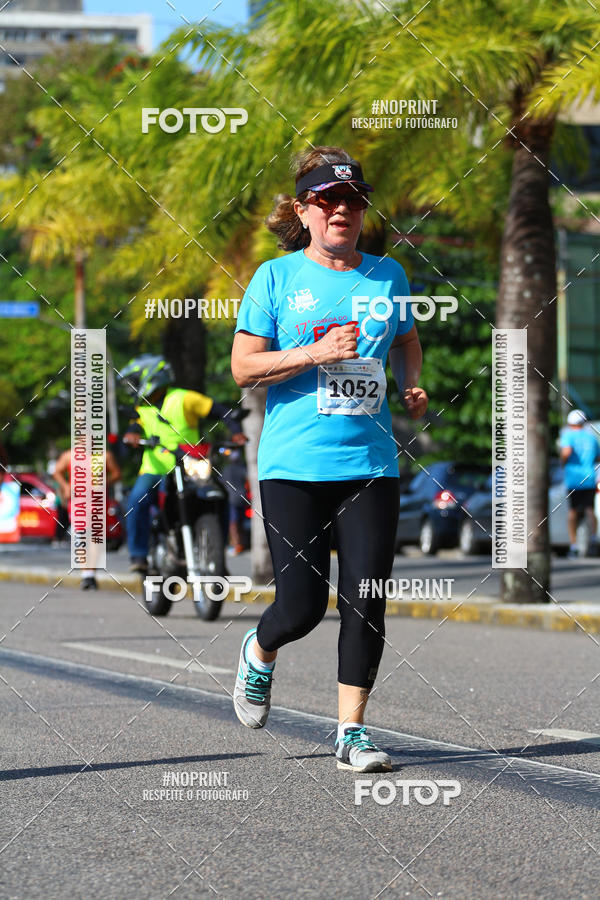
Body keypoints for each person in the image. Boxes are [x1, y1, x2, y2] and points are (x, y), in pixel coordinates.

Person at [230, 146, 428, 773]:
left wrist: (412, 381)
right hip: (293, 465)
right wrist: (316, 354)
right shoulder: (275, 278)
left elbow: (408, 338)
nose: (342, 210)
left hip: (370, 464)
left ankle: (352, 733)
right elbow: (243, 368)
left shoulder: (389, 276)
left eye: (353, 200)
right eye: (328, 200)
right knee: (302, 608)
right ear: (304, 211)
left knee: (366, 599)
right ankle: (260, 651)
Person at [120, 355, 247, 573]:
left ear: (151, 377)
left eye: (134, 381)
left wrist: (236, 432)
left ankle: (217, 557)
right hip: (155, 469)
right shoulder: (141, 408)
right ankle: (138, 555)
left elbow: (220, 411)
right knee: (136, 500)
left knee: (221, 497)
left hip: (190, 466)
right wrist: (132, 435)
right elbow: (135, 427)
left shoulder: (184, 398)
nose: (132, 388)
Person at [54, 445, 121, 589]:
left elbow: (116, 473)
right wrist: (66, 486)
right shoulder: (69, 456)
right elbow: (57, 472)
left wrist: (104, 483)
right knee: (82, 535)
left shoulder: (104, 455)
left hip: (97, 501)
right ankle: (86, 574)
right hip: (78, 501)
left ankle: (90, 574)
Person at [560, 409, 600, 557]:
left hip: (574, 480)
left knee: (573, 511)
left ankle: (574, 545)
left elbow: (566, 453)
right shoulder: (591, 438)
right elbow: (598, 457)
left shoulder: (568, 436)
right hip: (589, 478)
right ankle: (593, 539)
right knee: (590, 509)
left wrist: (563, 462)